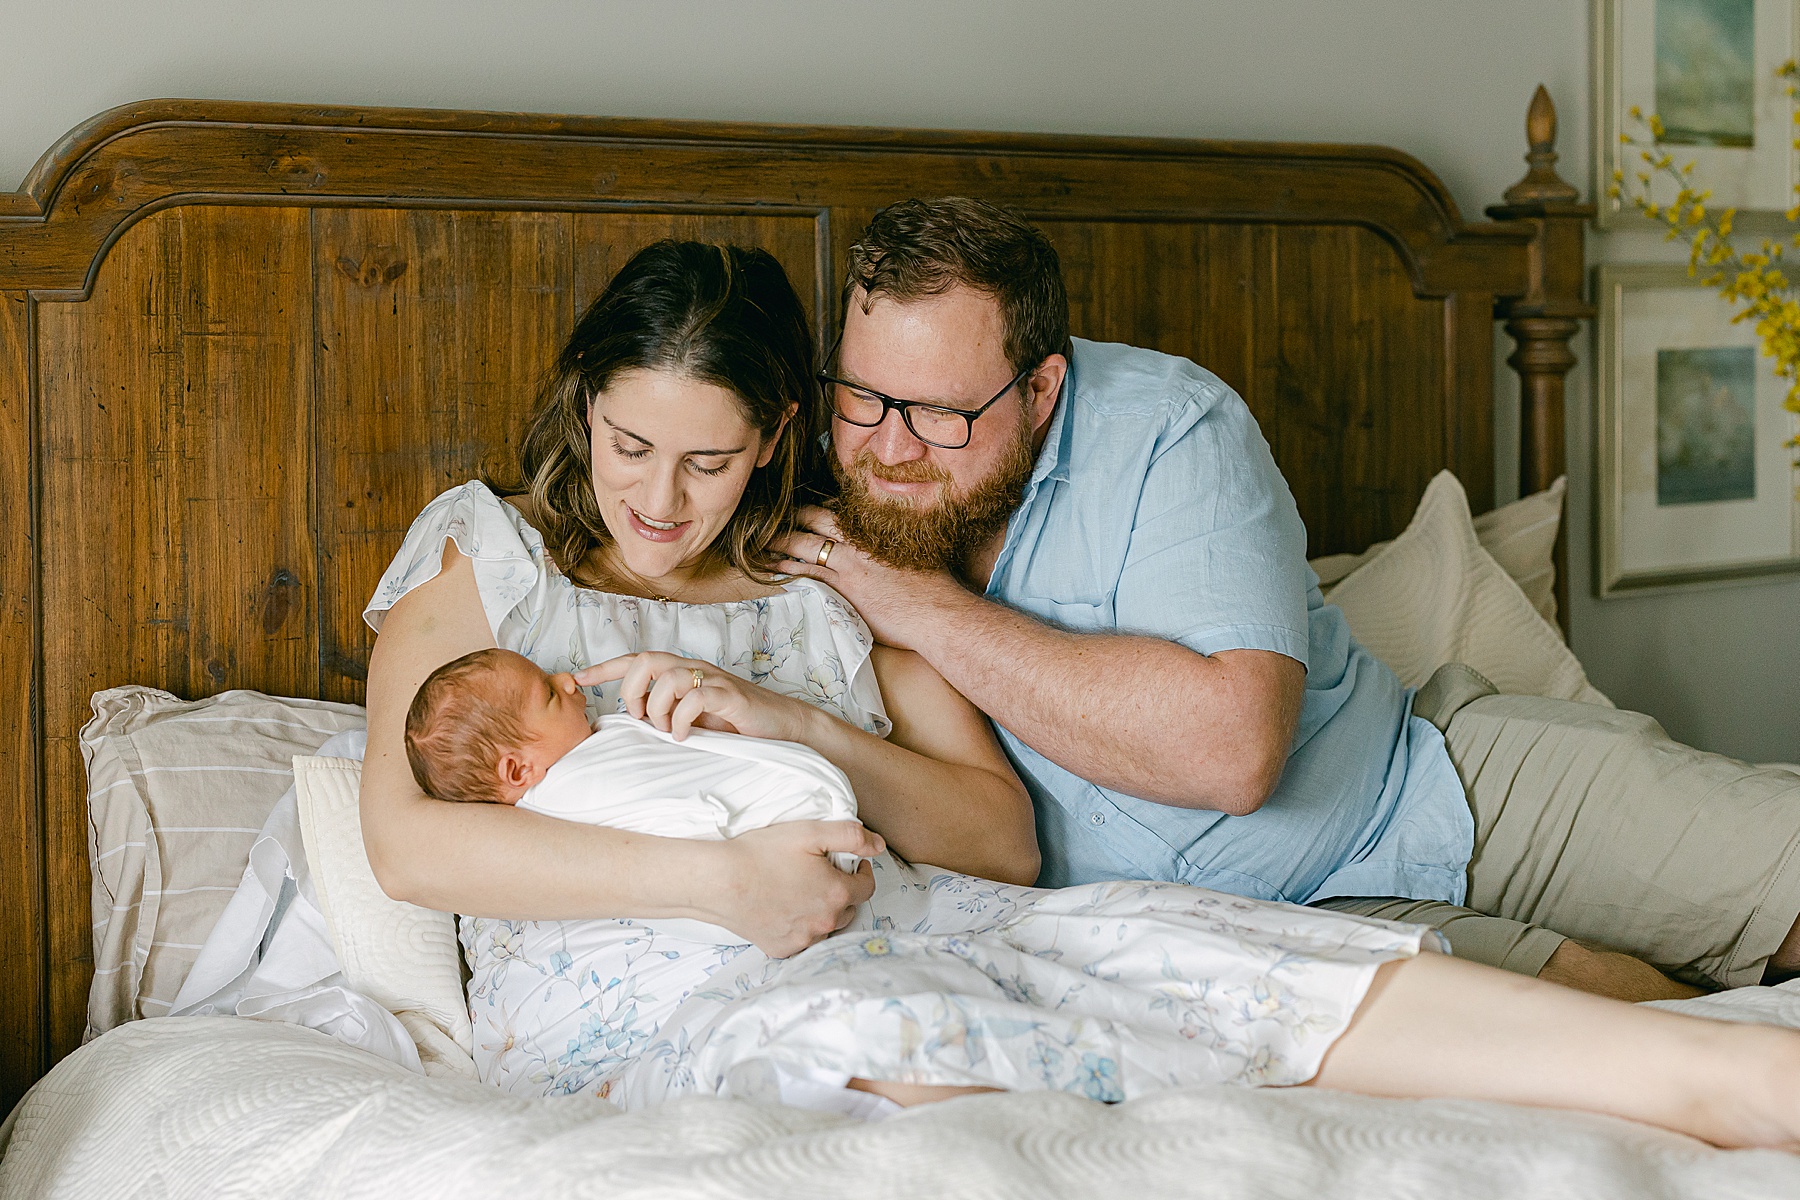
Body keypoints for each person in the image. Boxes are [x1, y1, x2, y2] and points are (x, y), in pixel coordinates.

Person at [772, 196, 1800, 1004]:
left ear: (1041, 389)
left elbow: (1231, 754)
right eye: (863, 396)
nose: (891, 447)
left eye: (943, 414)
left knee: (1776, 873)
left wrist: (921, 607)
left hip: (1423, 779)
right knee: (1629, 1024)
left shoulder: (1172, 428)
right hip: (1246, 947)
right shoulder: (811, 492)